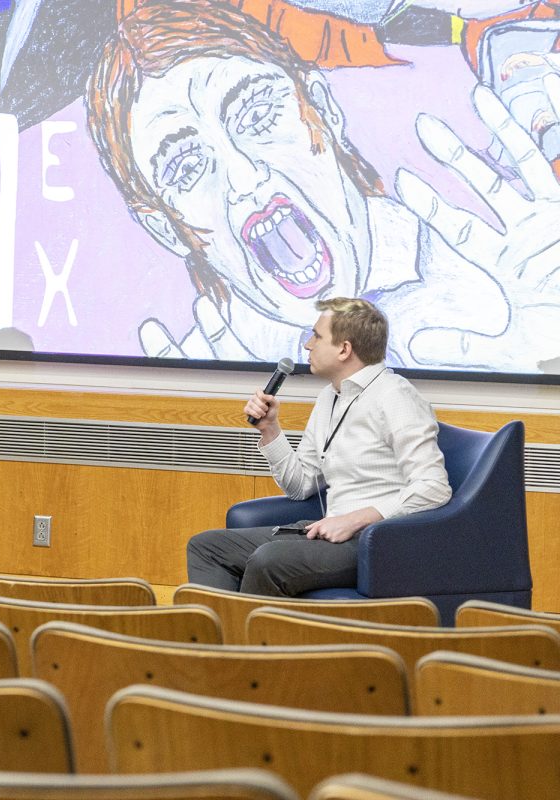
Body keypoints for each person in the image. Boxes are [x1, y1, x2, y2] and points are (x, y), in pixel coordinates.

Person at [86, 0, 560, 373]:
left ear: (321, 106)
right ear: (165, 228)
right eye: (185, 166)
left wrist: (545, 352)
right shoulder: (198, 371)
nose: (246, 179)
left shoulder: (503, 279)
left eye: (255, 114)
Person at [185, 297, 452, 596]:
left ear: (344, 349)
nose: (308, 345)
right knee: (206, 547)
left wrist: (355, 519)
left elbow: (433, 487)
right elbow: (299, 487)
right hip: (327, 532)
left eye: (317, 336)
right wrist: (271, 430)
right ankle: (216, 640)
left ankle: (250, 640)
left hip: (374, 541)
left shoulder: (395, 396)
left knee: (267, 560)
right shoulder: (329, 397)